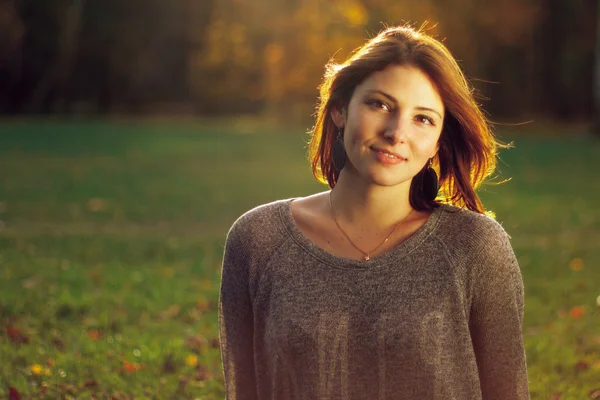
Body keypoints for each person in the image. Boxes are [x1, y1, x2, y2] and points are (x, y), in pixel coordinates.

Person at [218, 24, 529, 400]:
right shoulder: (258, 240)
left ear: (437, 143)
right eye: (380, 104)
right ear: (339, 111)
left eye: (423, 118)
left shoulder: (476, 247)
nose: (397, 132)